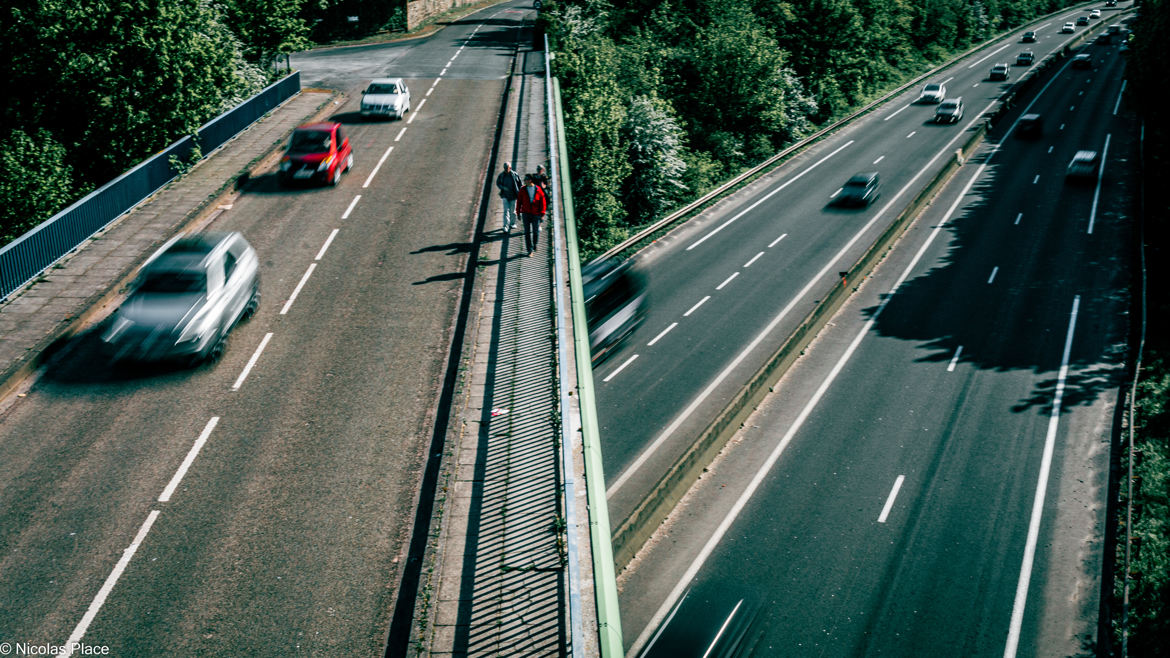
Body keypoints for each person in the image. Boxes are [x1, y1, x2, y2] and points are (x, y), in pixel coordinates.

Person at [516, 174, 547, 256]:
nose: (524, 181)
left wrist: (542, 213)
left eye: (526, 179)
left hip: (535, 214)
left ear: (530, 180)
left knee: (535, 231)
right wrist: (518, 212)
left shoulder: (538, 189)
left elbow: (543, 202)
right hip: (526, 213)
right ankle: (530, 250)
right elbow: (519, 201)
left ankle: (535, 244)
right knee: (527, 232)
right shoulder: (522, 189)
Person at [495, 162, 522, 232]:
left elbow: (520, 184)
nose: (507, 169)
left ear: (510, 168)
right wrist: (503, 188)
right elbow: (498, 183)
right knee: (506, 211)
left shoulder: (515, 175)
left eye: (508, 168)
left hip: (513, 196)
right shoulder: (501, 175)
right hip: (505, 196)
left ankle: (512, 223)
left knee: (513, 211)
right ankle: (505, 226)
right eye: (505, 168)